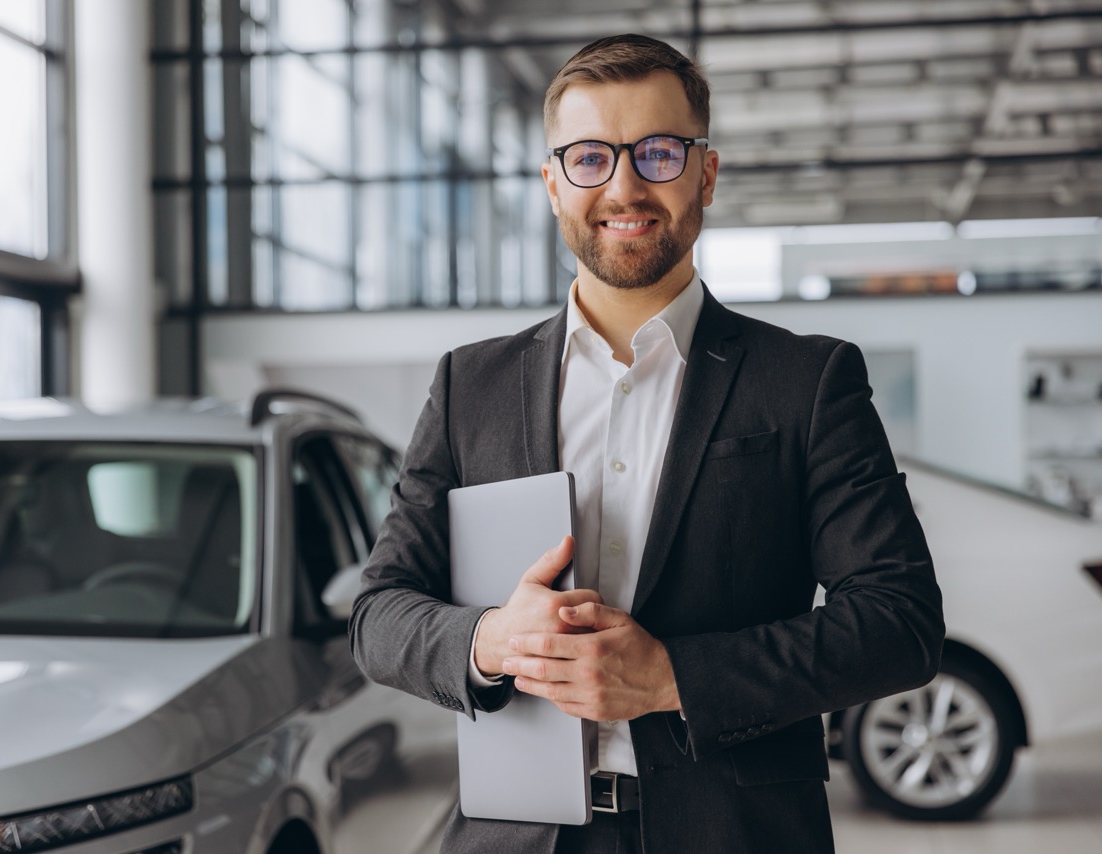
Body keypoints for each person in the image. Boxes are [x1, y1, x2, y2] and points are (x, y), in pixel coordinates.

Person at [350, 33, 944, 854]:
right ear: (553, 182)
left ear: (705, 171)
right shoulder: (469, 387)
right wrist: (492, 640)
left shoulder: (806, 381)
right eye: (590, 157)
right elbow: (379, 614)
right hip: (514, 834)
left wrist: (672, 678)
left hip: (735, 832)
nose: (624, 186)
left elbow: (899, 623)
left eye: (658, 152)